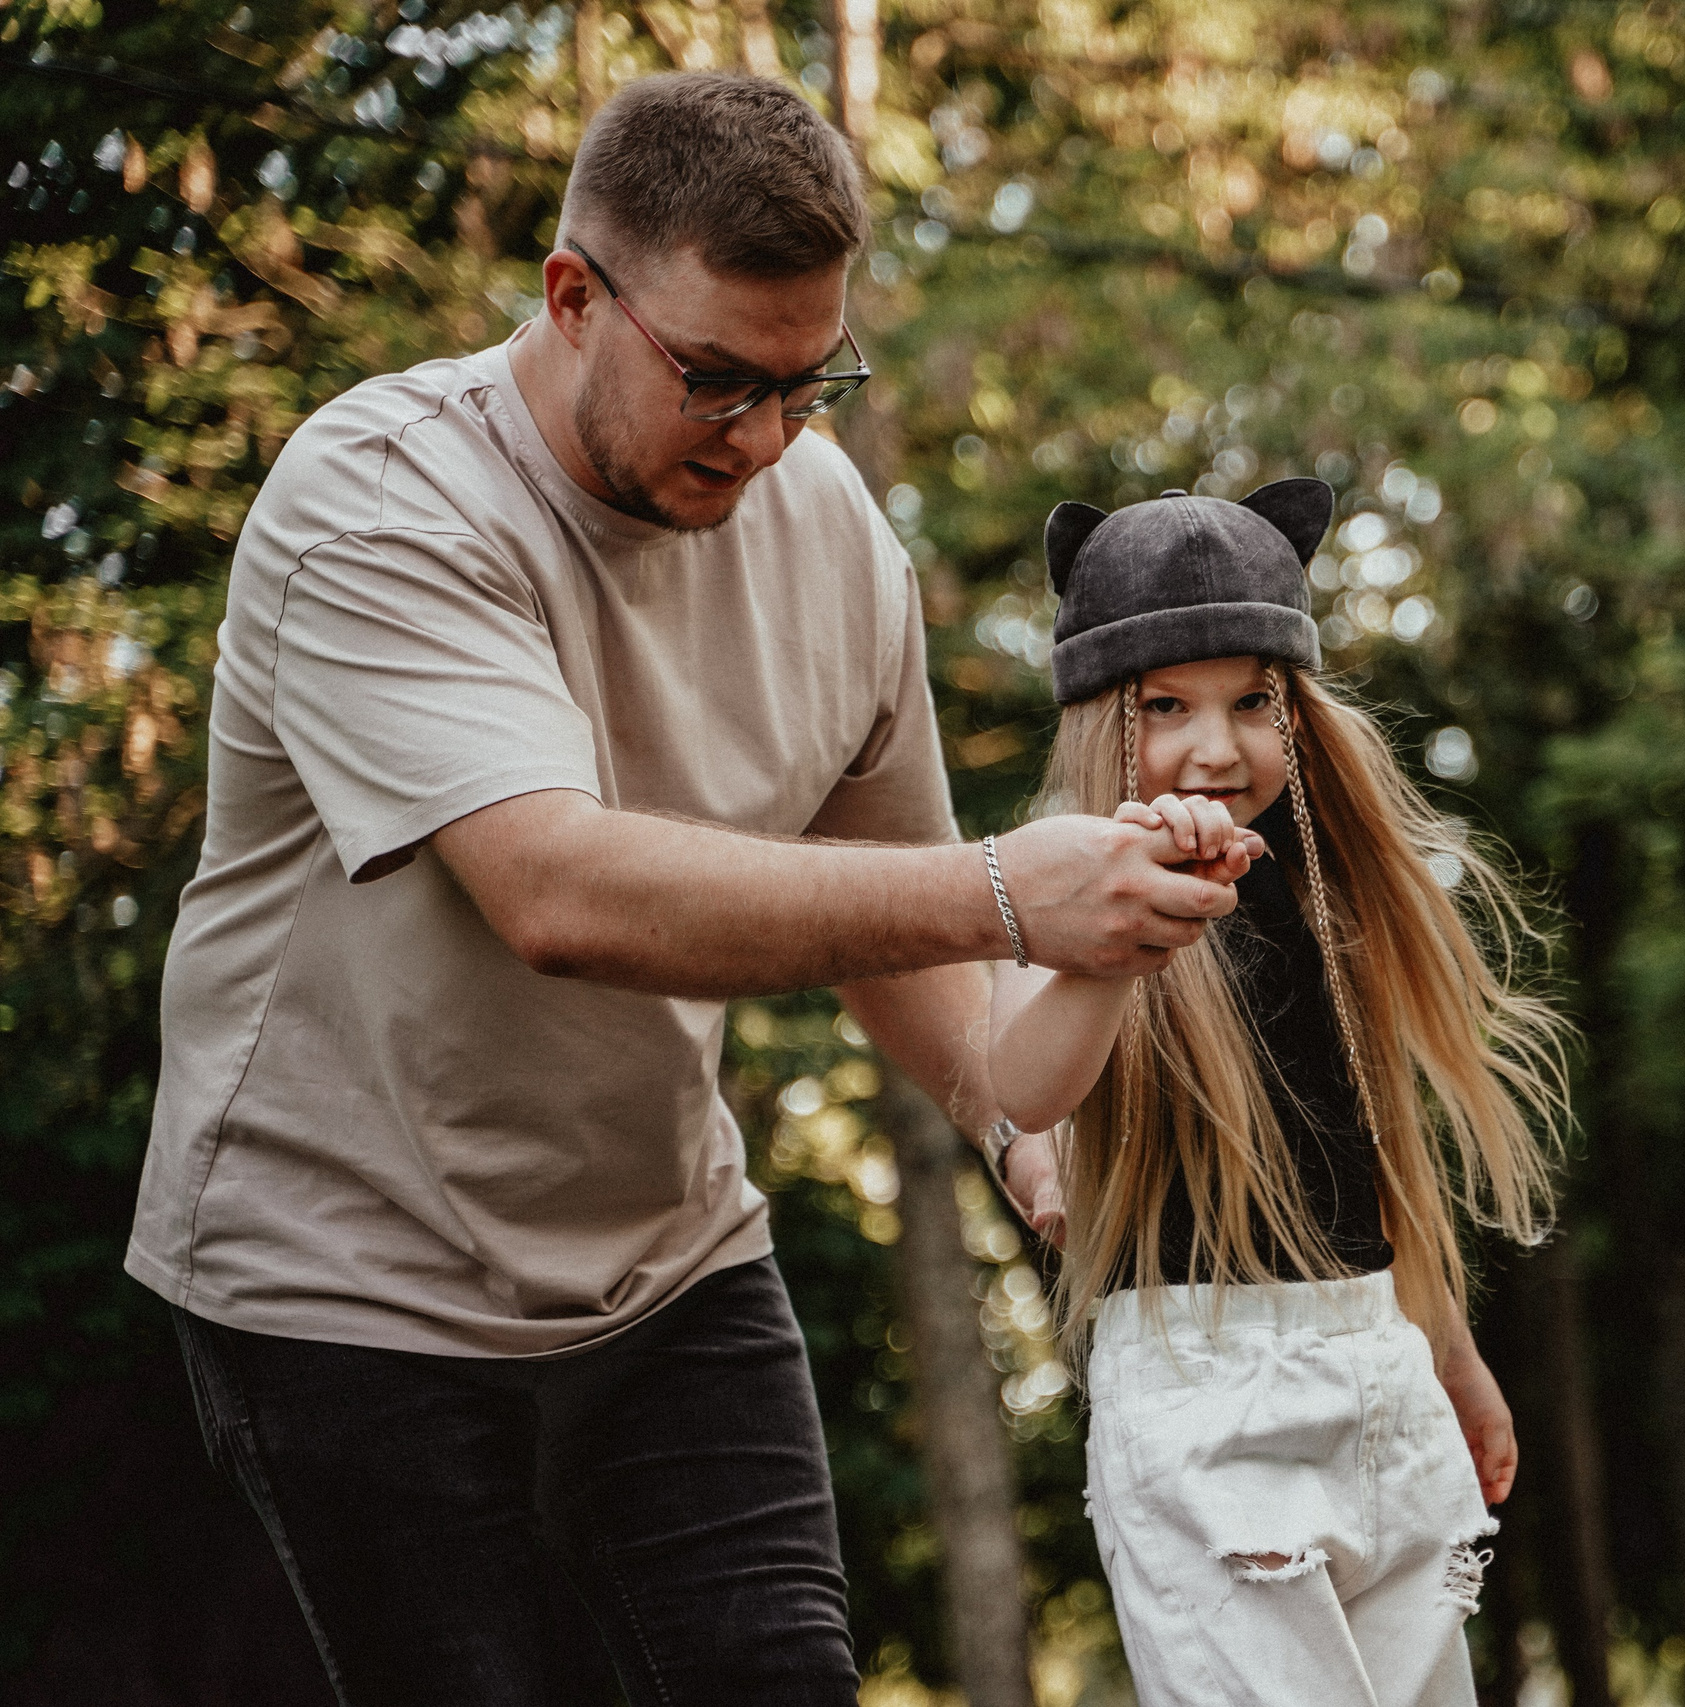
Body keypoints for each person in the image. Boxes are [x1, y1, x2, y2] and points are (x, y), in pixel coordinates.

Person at [123, 72, 1237, 1705]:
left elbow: (883, 896)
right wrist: (1008, 891)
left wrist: (1020, 1131)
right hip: (342, 1293)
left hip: (670, 1264)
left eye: (808, 383)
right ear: (574, 296)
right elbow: (558, 891)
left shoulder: (827, 522)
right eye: (716, 380)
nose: (766, 438)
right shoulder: (377, 504)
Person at [986, 478, 1573, 1707]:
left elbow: (1381, 1168)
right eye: (1167, 706)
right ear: (1103, 720)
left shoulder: (1328, 900)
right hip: (1203, 1404)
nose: (1217, 744)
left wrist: (1453, 1360)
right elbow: (1023, 1088)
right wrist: (1121, 943)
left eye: (1253, 700)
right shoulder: (1049, 894)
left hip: (1375, 1369)